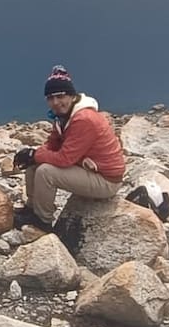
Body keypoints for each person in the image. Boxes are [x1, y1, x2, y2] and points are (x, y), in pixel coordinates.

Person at [12, 65, 125, 230]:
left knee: (46, 172)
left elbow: (65, 159)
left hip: (106, 180)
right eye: (50, 98)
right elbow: (52, 145)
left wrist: (34, 154)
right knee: (34, 165)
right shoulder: (64, 118)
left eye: (60, 96)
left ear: (72, 96)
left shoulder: (83, 119)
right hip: (90, 169)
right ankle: (32, 208)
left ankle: (42, 220)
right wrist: (32, 155)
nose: (56, 102)